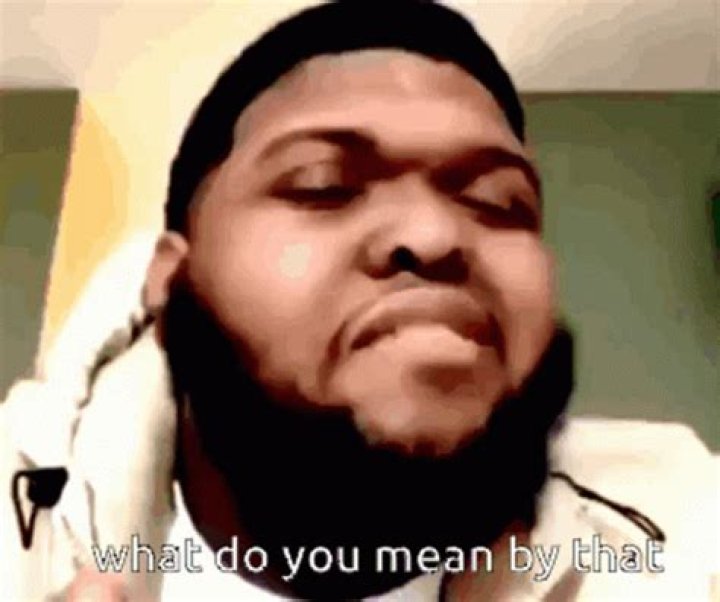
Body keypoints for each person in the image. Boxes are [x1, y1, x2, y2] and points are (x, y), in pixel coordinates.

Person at [1, 1, 717, 600]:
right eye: (322, 184)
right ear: (169, 277)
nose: (434, 234)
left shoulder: (686, 531)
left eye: (500, 202)